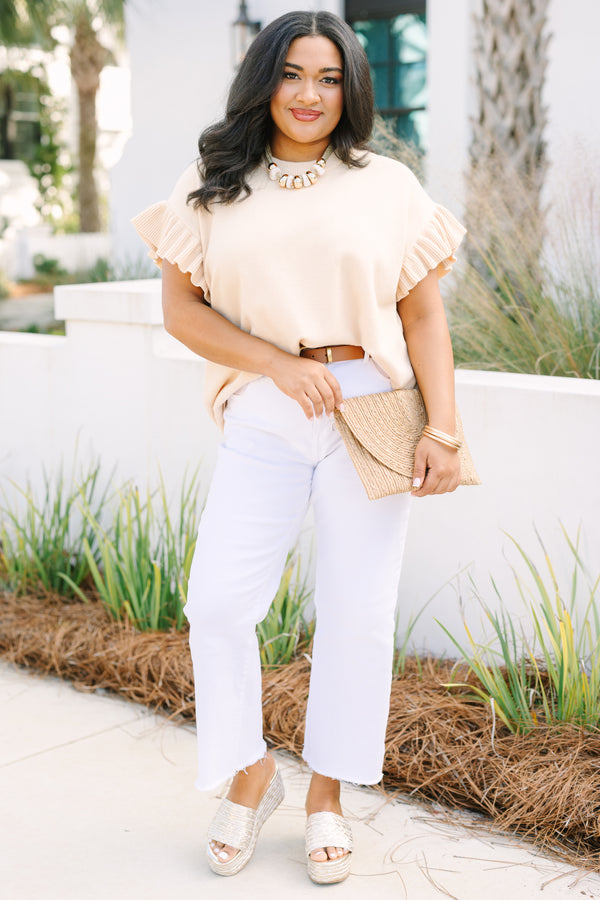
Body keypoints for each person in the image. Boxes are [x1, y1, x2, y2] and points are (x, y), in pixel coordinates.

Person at [133, 9, 465, 885]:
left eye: (327, 77)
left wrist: (445, 429)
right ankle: (249, 773)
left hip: (371, 402)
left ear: (350, 86)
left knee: (356, 611)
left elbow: (424, 315)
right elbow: (181, 313)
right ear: (263, 80)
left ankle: (327, 796)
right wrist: (277, 365)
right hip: (265, 404)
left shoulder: (388, 184)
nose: (309, 94)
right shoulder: (212, 176)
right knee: (218, 600)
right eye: (291, 74)